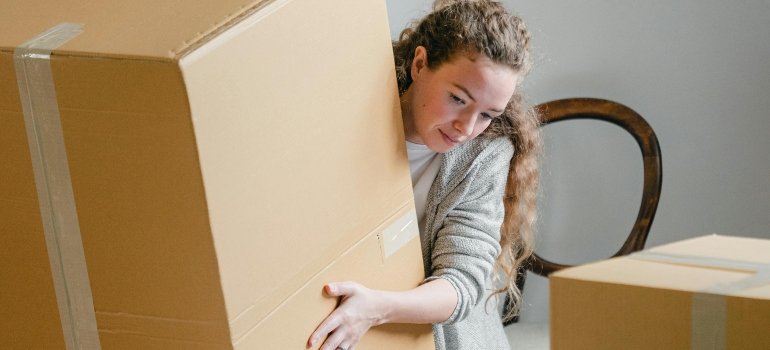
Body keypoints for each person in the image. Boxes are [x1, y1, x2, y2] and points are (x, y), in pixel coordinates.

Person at [307, 1, 541, 349]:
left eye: (488, 115)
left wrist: (375, 309)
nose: (466, 127)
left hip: (431, 332)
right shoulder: (346, 110)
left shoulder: (484, 153)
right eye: (458, 98)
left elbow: (462, 282)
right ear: (419, 64)